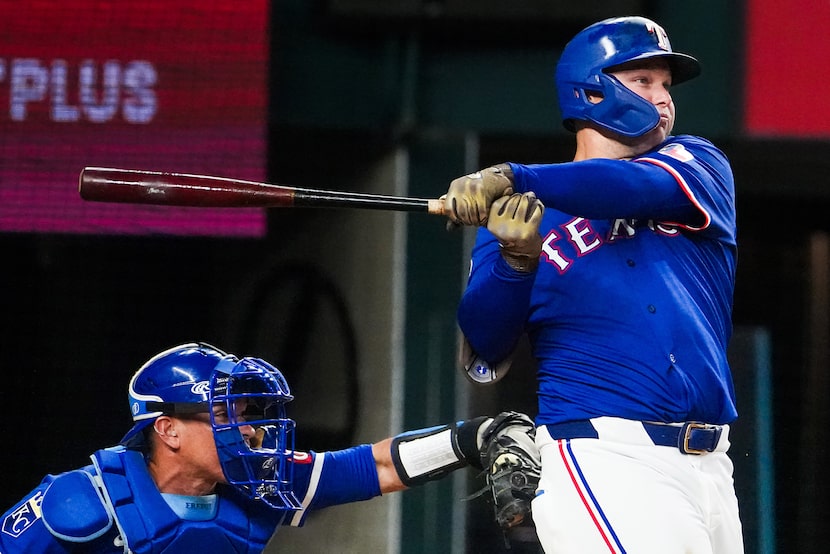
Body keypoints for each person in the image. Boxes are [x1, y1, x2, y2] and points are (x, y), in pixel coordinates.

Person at [443, 16, 743, 553]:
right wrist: (516, 261)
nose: (663, 98)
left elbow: (626, 187)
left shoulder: (696, 163)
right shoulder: (519, 219)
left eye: (666, 86)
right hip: (609, 458)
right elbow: (486, 347)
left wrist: (515, 174)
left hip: (712, 468)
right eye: (644, 81)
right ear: (591, 89)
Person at [0, 342, 538, 553]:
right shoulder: (79, 507)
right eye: (226, 415)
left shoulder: (258, 484)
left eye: (248, 415)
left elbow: (371, 466)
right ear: (168, 430)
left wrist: (472, 438)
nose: (250, 431)